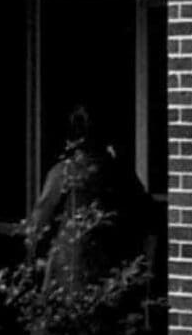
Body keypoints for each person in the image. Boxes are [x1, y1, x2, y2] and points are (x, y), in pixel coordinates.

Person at [23, 105, 155, 292]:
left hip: (70, 270)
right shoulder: (121, 173)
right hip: (112, 271)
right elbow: (148, 217)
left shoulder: (64, 172)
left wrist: (33, 262)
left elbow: (39, 223)